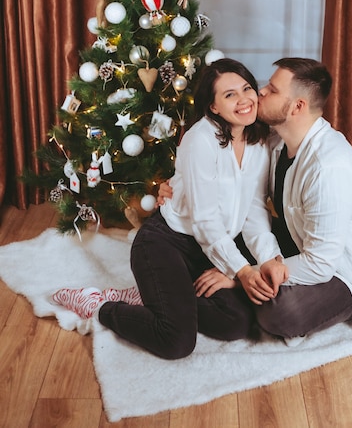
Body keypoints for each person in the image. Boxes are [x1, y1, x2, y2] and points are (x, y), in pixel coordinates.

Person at [51, 58, 288, 359]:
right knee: (175, 341)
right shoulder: (200, 140)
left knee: (236, 324)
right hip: (167, 242)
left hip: (210, 246)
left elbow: (254, 209)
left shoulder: (259, 141)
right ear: (213, 106)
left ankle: (156, 297)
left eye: (246, 88)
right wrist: (240, 269)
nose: (244, 99)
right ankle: (101, 306)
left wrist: (265, 258)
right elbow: (203, 220)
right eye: (230, 95)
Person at [160, 57, 352, 345]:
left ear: (297, 106)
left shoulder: (329, 169)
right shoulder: (273, 141)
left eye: (272, 90)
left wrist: (242, 275)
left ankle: (196, 297)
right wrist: (179, 186)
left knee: (281, 313)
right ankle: (174, 289)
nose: (260, 92)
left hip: (349, 270)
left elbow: (321, 264)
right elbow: (241, 194)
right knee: (230, 238)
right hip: (300, 240)